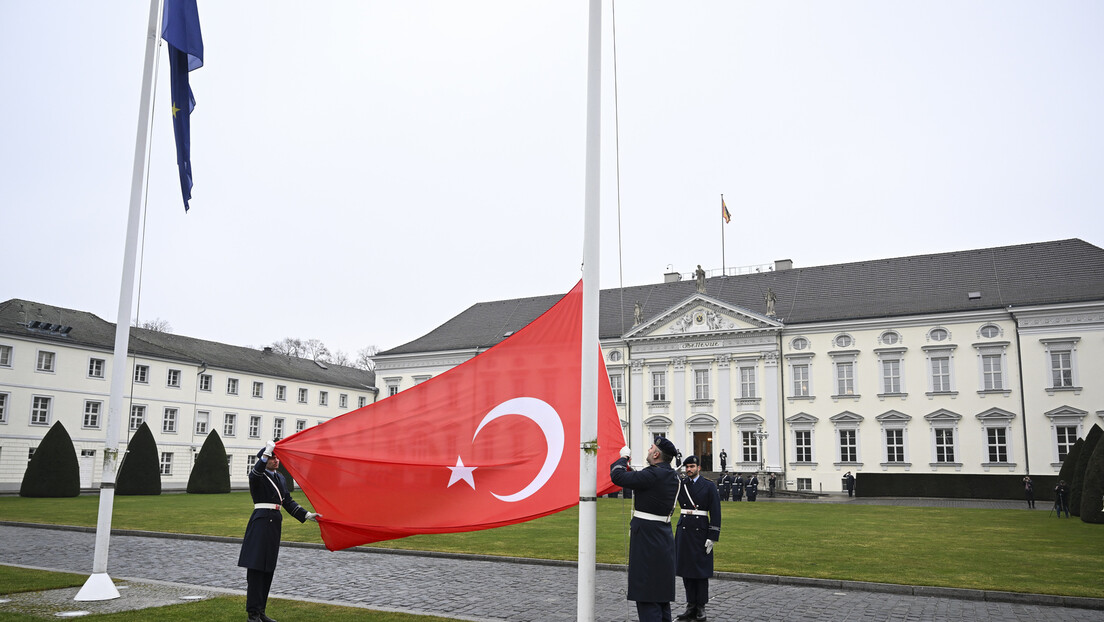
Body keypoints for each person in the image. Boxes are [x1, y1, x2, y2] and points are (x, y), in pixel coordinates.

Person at [238, 441, 321, 622]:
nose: (276, 460)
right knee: (256, 570)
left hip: (274, 524)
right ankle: (253, 615)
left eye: (277, 458)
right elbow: (255, 473)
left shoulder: (280, 478)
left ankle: (261, 612)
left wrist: (306, 515)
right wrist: (265, 454)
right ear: (265, 459)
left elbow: (288, 501)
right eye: (272, 458)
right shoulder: (258, 476)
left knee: (268, 569)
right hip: (260, 523)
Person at [611, 437, 680, 622]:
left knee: (647, 593)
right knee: (661, 595)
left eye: (651, 448)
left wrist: (623, 458)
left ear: (656, 454)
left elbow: (617, 477)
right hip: (663, 535)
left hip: (647, 539)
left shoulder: (653, 474)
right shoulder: (669, 475)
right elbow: (641, 481)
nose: (649, 450)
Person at [674, 456, 721, 622]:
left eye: (692, 466)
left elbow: (715, 512)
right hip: (684, 530)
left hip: (701, 531)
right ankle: (690, 605)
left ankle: (701, 606)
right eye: (687, 467)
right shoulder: (681, 484)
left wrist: (713, 536)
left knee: (700, 572)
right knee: (686, 571)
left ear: (699, 468)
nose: (689, 470)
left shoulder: (708, 486)